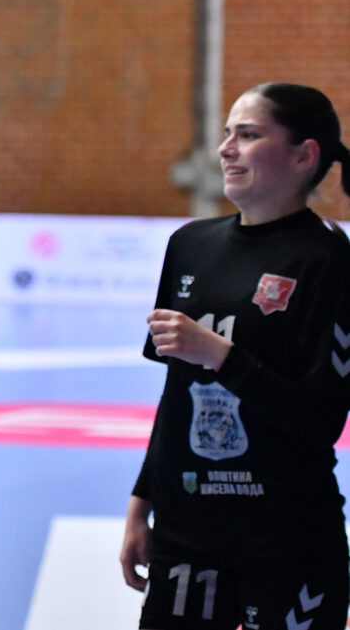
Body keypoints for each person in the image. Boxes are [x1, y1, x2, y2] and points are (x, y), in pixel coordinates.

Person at [119, 82, 350, 630]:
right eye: (227, 133)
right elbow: (177, 396)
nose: (225, 148)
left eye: (247, 135)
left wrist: (223, 355)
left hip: (286, 538)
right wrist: (141, 501)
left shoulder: (329, 260)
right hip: (186, 531)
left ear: (304, 155)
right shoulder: (189, 245)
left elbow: (322, 419)